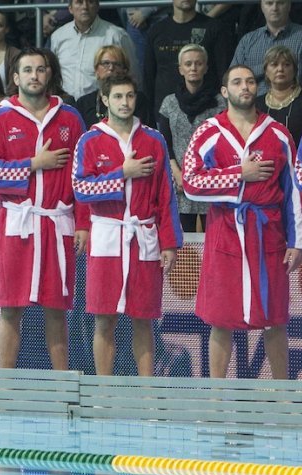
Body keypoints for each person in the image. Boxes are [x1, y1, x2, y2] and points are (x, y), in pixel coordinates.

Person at [185, 65, 302, 379]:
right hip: (226, 235)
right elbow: (191, 182)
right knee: (221, 321)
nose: (245, 87)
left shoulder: (278, 133)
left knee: (275, 319)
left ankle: (282, 398)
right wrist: (240, 174)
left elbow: (294, 191)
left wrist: (297, 242)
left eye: (250, 81)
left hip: (269, 235)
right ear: (225, 91)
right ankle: (217, 400)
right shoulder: (207, 131)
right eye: (236, 82)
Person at [0, 48, 88, 370]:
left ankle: (61, 384)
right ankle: (5, 387)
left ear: (49, 75)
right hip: (17, 221)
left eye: (40, 70)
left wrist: (83, 223)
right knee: (11, 307)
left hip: (57, 222)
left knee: (57, 308)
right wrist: (33, 164)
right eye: (27, 70)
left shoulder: (70, 117)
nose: (34, 76)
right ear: (15, 78)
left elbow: (81, 176)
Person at [73, 74, 182, 376]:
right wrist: (122, 172)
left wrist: (170, 243)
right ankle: (104, 391)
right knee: (103, 318)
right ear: (105, 100)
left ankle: (147, 393)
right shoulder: (90, 140)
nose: (125, 102)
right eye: (118, 96)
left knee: (143, 318)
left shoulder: (153, 139)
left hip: (143, 237)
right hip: (107, 236)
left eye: (130, 96)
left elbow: (166, 196)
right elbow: (81, 190)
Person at [157, 44, 224, 233]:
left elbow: (223, 144)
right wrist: (178, 174)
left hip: (210, 181)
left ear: (206, 67)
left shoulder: (220, 103)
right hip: (179, 183)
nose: (193, 68)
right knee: (183, 245)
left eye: (198, 63)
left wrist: (208, 176)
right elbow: (164, 143)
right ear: (180, 69)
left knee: (213, 238)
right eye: (188, 64)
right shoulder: (169, 103)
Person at [143, 0, 233, 121]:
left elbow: (224, 74)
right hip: (165, 114)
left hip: (208, 112)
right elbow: (148, 76)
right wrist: (148, 118)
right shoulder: (156, 30)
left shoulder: (214, 28)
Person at [49, 0, 138, 101]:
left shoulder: (116, 36)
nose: (85, 7)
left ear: (97, 6)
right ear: (70, 8)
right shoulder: (58, 36)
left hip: (102, 107)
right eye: (79, 2)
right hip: (66, 107)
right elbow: (54, 76)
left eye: (90, 2)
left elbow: (133, 76)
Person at [231, 0, 302, 95]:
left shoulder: (300, 37)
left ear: (289, 6)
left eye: (280, 3)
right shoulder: (247, 41)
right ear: (262, 6)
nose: (274, 8)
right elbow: (233, 78)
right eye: (269, 3)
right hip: (252, 105)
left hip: (293, 104)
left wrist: (254, 72)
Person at [75, 45, 152, 130]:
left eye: (117, 64)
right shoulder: (84, 103)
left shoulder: (137, 99)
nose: (111, 68)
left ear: (125, 70)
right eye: (106, 63)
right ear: (96, 70)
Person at [257, 45, 302, 145]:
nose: (280, 69)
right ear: (266, 71)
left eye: (286, 64)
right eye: (274, 64)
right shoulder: (256, 104)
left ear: (294, 70)